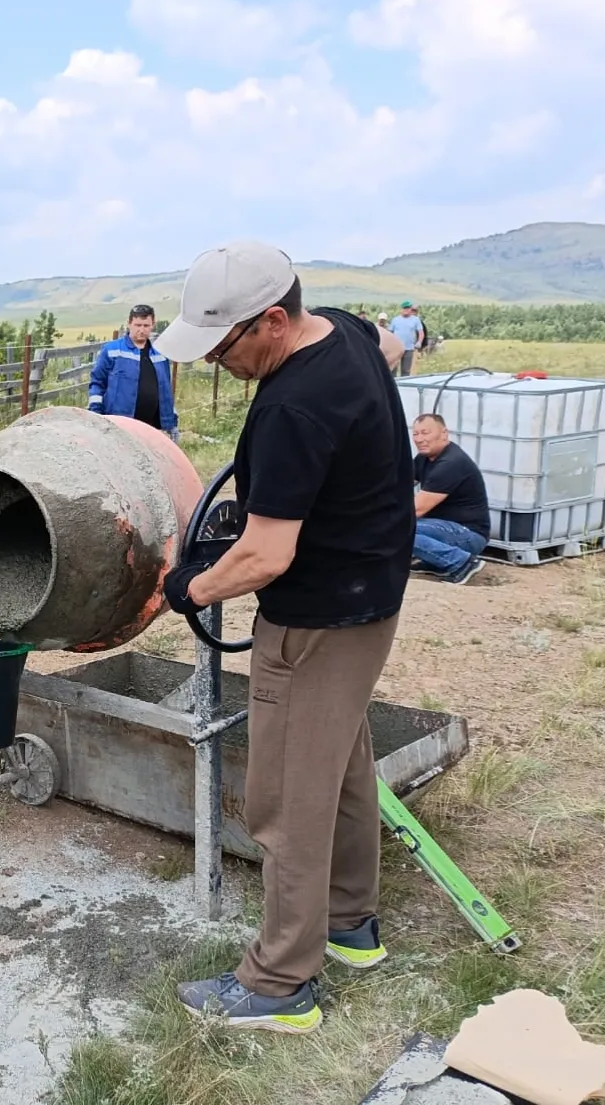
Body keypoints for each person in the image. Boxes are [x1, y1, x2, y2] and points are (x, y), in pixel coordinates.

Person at [153, 240, 413, 1034]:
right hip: (371, 594)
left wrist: (187, 587)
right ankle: (349, 923)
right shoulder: (342, 330)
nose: (219, 363)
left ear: (273, 318)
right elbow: (392, 344)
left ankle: (279, 984)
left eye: (225, 345)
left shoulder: (294, 405)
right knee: (339, 766)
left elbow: (268, 552)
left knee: (287, 799)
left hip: (316, 616)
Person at [411, 413, 489, 584]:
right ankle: (435, 563)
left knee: (398, 529)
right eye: (415, 434)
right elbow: (398, 484)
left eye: (425, 433)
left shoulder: (450, 463)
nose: (419, 439)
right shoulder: (424, 458)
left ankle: (462, 563)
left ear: (444, 433)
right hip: (443, 527)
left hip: (468, 534)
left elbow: (416, 509)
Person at [88, 303, 179, 439]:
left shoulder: (160, 355)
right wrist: (95, 415)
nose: (141, 330)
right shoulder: (112, 351)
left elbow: (166, 391)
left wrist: (172, 422)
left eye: (146, 325)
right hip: (119, 427)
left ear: (153, 325)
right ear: (129, 324)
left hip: (153, 429)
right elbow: (97, 383)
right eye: (137, 325)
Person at [388, 302, 424, 377]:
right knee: (393, 369)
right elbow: (389, 333)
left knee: (406, 370)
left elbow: (421, 332)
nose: (406, 310)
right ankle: (393, 385)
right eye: (404, 308)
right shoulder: (395, 320)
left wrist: (419, 342)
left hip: (409, 348)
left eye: (408, 308)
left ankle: (404, 386)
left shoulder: (416, 320)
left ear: (411, 309)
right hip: (396, 348)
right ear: (401, 309)